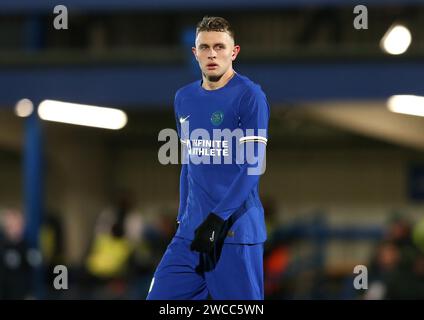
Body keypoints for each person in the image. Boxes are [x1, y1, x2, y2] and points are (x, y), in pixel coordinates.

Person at [147, 16, 270, 300]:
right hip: (191, 234)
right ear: (195, 53)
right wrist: (183, 219)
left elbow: (252, 166)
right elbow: (188, 163)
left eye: (219, 47)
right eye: (204, 47)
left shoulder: (250, 96)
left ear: (234, 52)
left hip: (234, 234)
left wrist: (217, 220)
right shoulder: (183, 98)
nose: (212, 54)